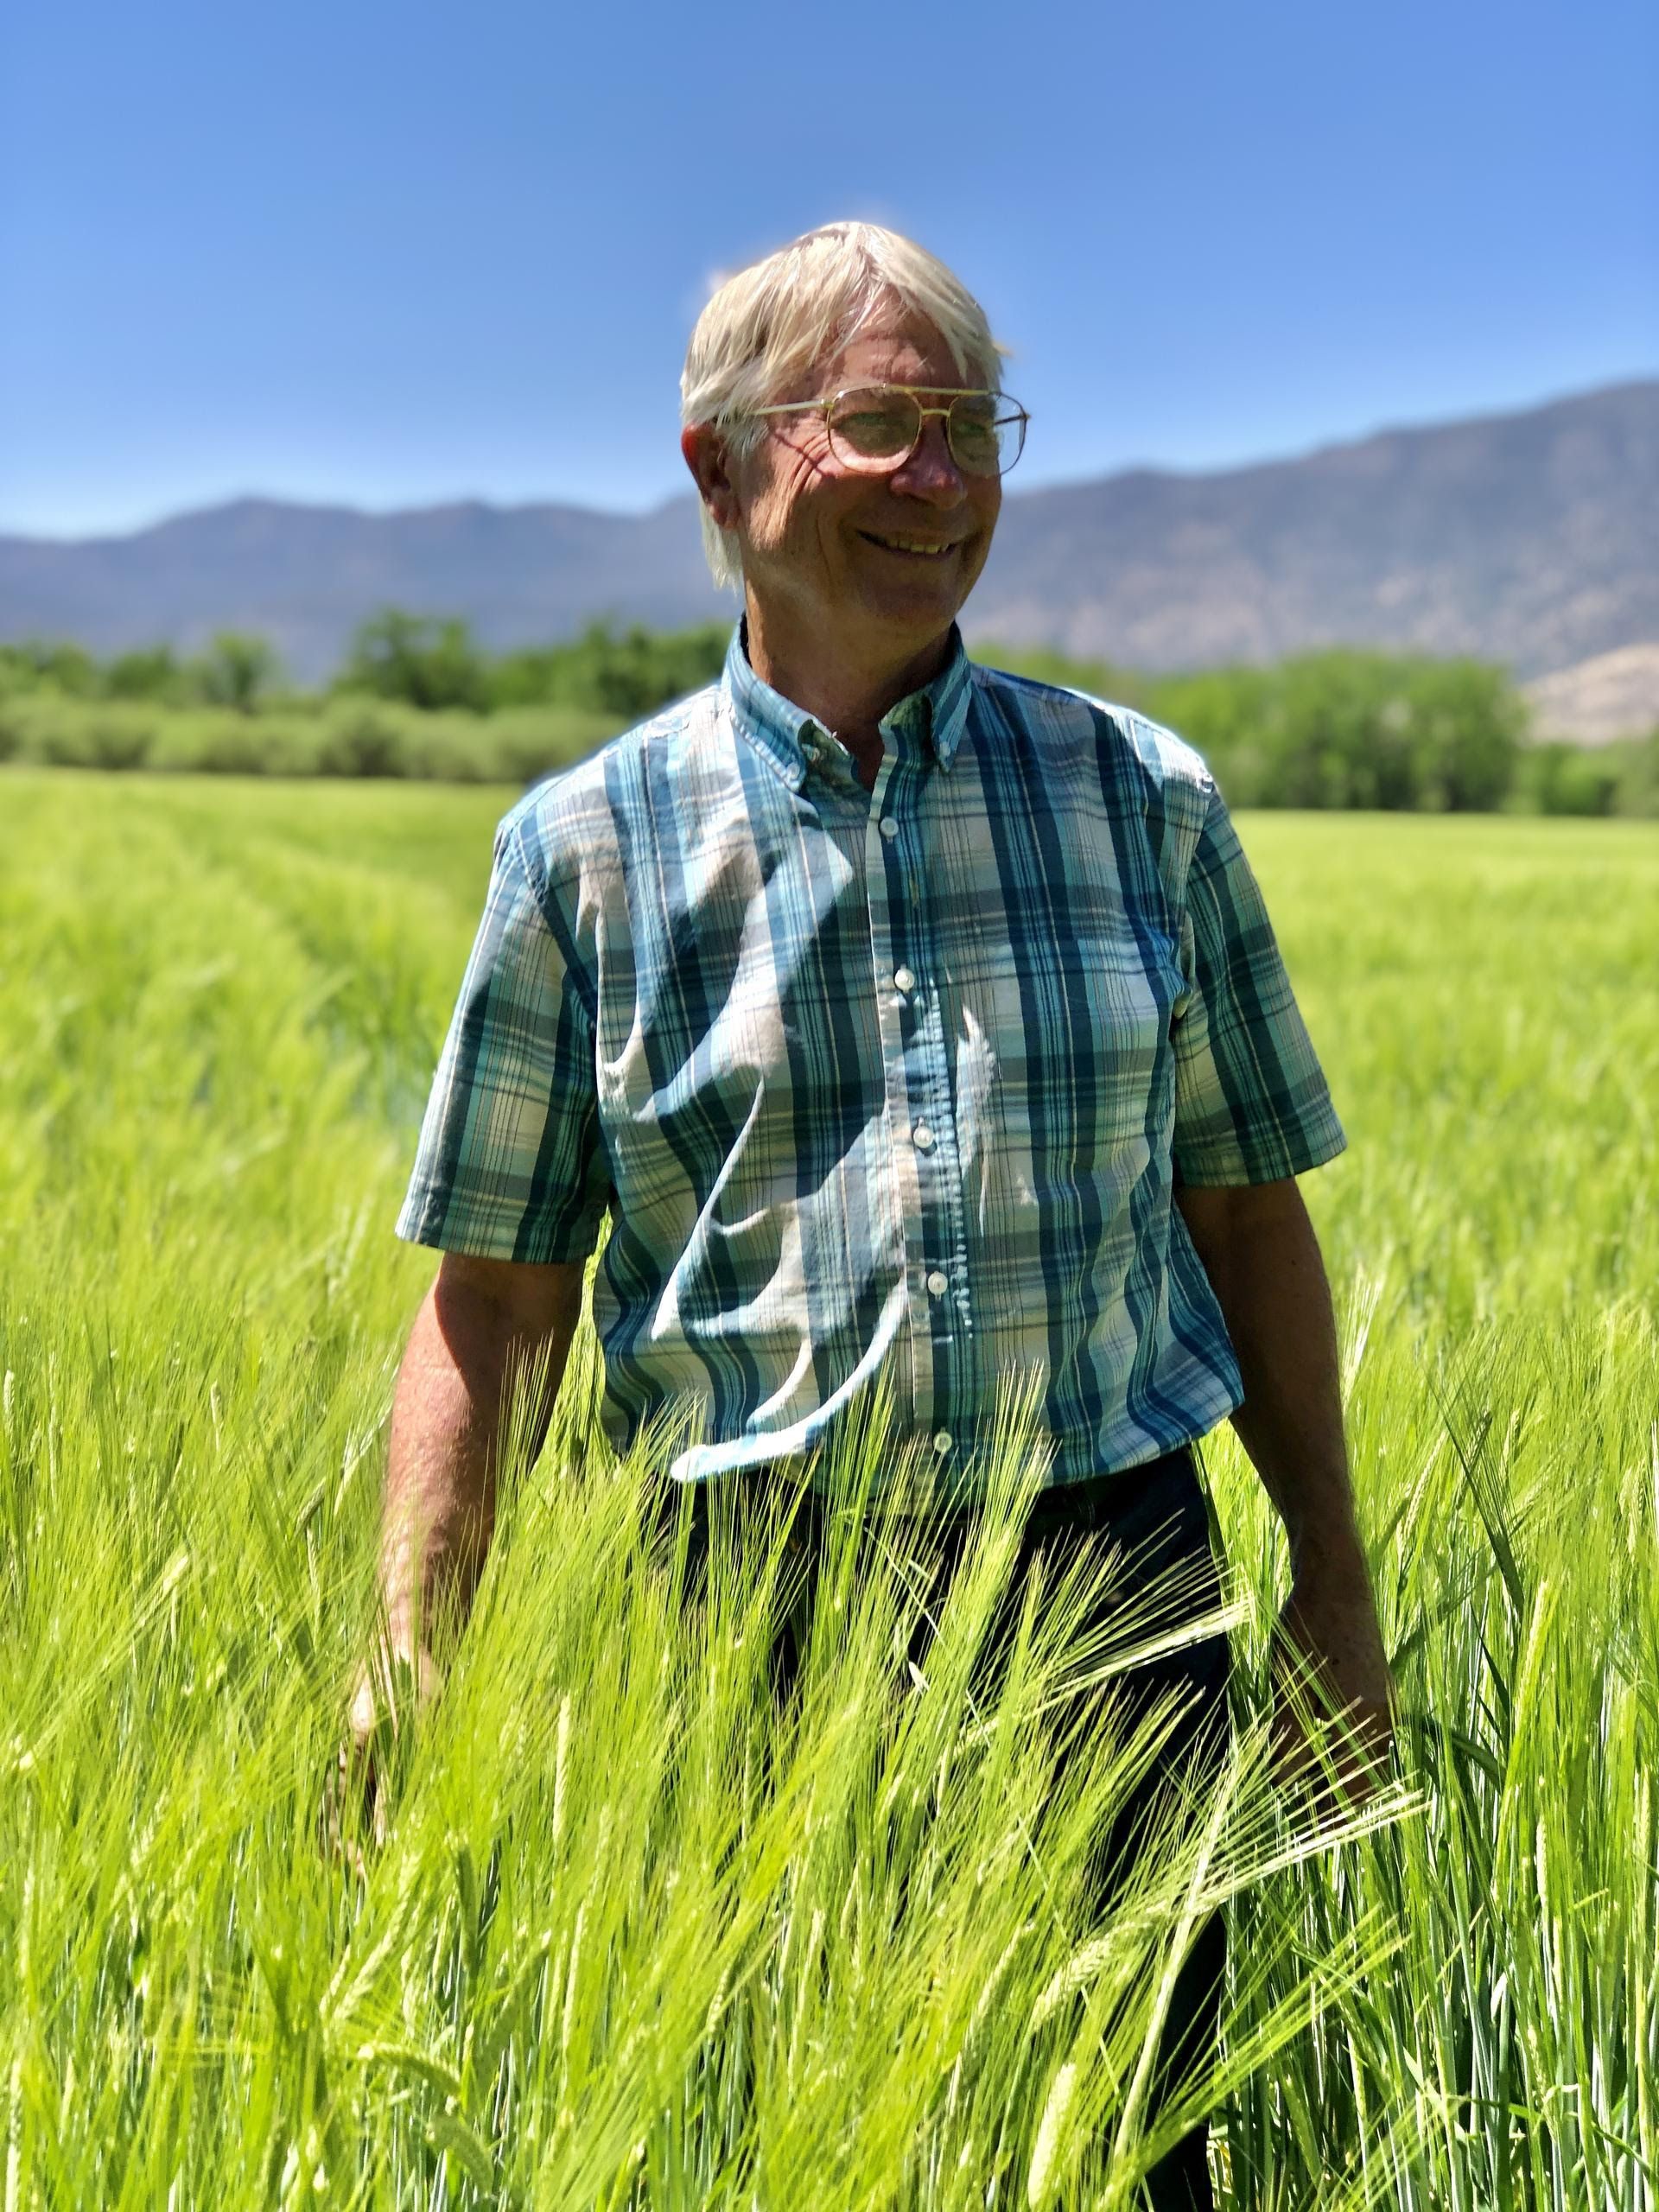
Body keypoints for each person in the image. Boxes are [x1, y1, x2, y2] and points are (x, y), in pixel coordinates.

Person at [356, 221, 1395, 2209]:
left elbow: (1248, 1206)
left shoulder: (1141, 798)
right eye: (884, 425)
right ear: (719, 464)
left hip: (1112, 1610)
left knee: (1132, 2162)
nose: (943, 482)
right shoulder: (581, 850)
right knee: (769, 2157)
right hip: (732, 1619)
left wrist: (1333, 1593)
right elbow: (491, 1296)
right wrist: (420, 1647)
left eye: (974, 429)